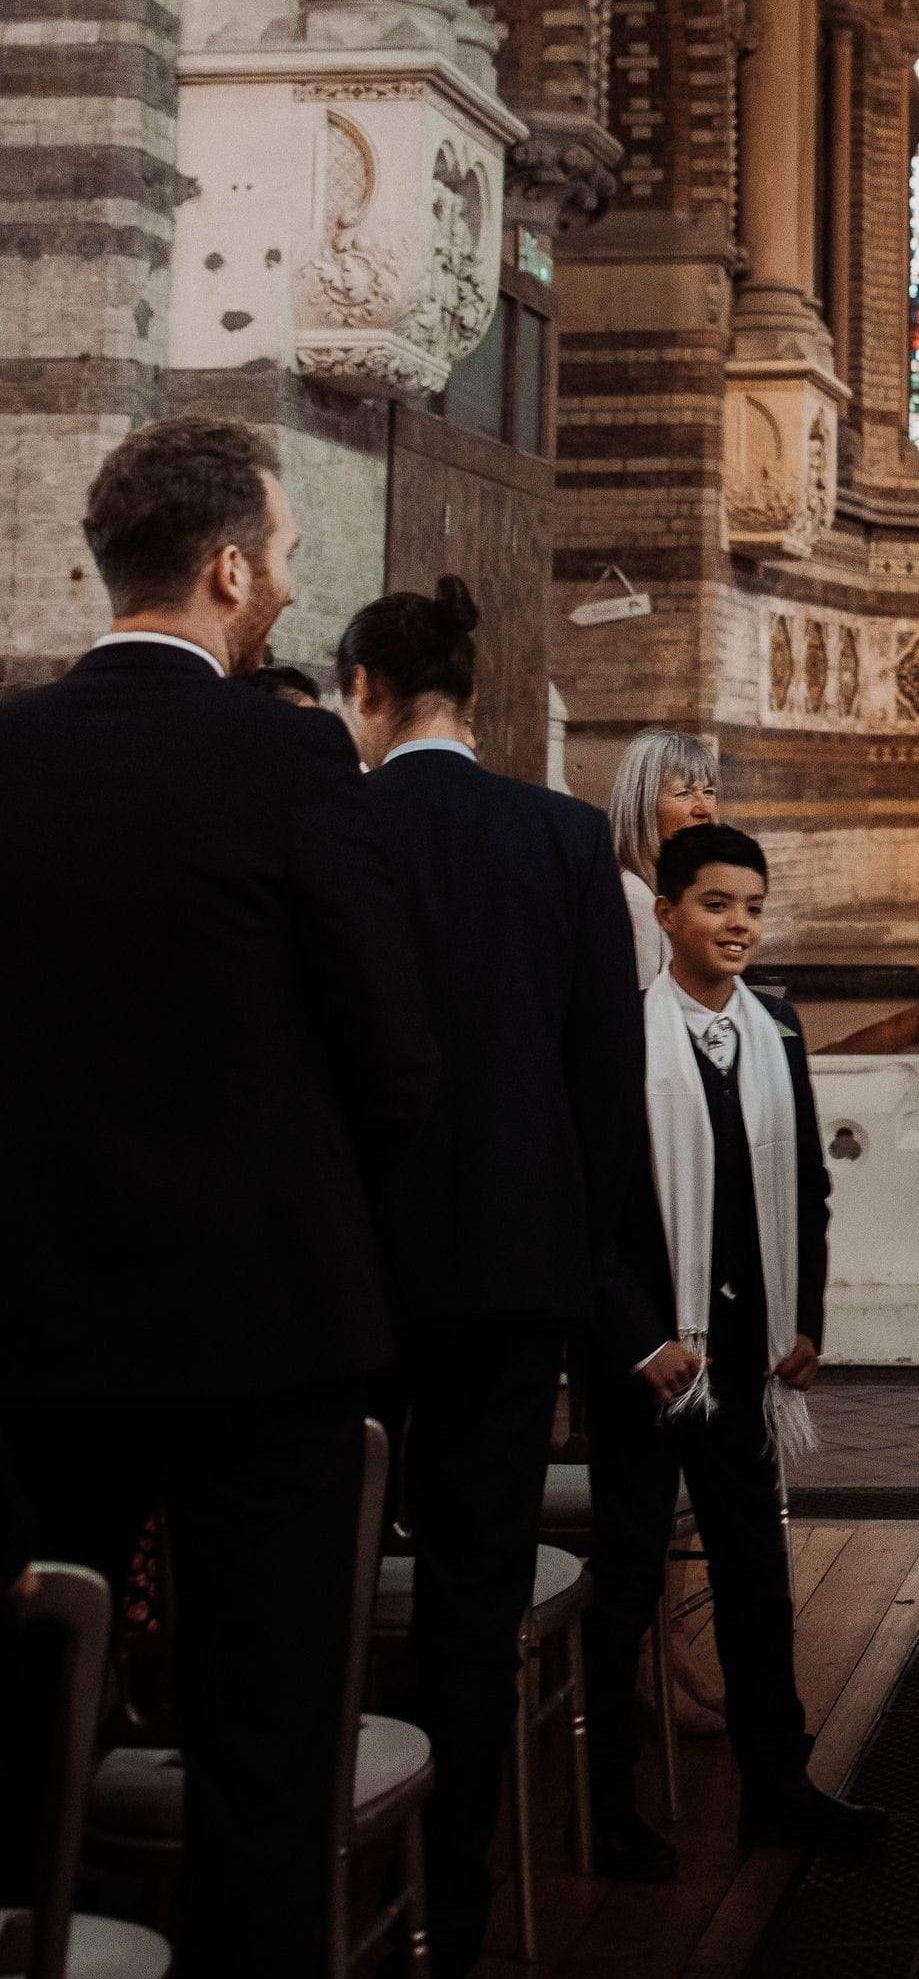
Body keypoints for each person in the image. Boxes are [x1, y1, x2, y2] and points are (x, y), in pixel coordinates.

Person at [0, 419, 437, 1979]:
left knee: (29, 1725)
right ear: (233, 567)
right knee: (264, 1743)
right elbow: (389, 1047)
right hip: (265, 1335)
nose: (289, 582)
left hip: (37, 1330)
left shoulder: (10, 749)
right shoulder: (287, 752)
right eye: (289, 554)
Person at [338, 577, 646, 1979]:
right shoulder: (566, 837)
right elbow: (604, 1087)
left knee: (330, 1587)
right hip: (519, 1281)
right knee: (473, 1600)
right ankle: (458, 1911)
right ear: (476, 695)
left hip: (351, 1286)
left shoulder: (335, 826)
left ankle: (337, 1879)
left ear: (363, 692)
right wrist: (607, 1290)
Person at [586, 823, 874, 1875]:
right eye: (715, 904)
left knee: (757, 1578)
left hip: (748, 1353)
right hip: (650, 1361)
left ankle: (779, 1789)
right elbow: (589, 1208)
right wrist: (639, 1338)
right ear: (666, 916)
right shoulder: (620, 1031)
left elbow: (806, 1179)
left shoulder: (778, 1030)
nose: (738, 923)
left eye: (751, 905)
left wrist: (807, 1319)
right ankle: (610, 1809)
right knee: (623, 1586)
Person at [606, 726, 723, 983]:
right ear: (642, 806)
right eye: (683, 793)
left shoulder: (675, 890)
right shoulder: (634, 900)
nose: (704, 809)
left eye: (709, 792)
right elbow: (641, 1016)